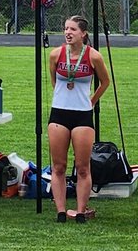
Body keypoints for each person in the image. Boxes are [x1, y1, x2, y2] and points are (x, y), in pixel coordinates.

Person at [47, 14, 111, 222]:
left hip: (83, 115)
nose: (68, 32)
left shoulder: (93, 56)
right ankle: (60, 210)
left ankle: (81, 210)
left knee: (83, 167)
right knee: (58, 166)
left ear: (83, 33)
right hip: (59, 113)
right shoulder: (56, 55)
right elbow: (54, 81)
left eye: (73, 29)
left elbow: (105, 82)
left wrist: (91, 102)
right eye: (66, 28)